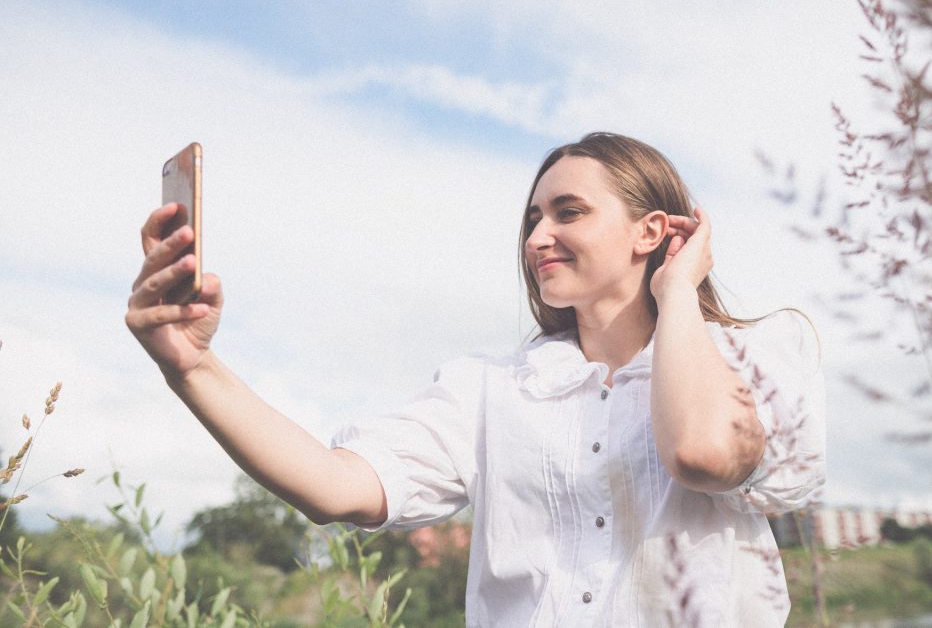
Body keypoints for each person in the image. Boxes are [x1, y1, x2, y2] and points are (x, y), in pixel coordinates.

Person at [126, 132, 825, 627]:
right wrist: (191, 365)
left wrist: (678, 294)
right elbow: (335, 486)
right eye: (532, 219)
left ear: (651, 232)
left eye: (568, 212)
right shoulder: (489, 389)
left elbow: (702, 452)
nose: (535, 237)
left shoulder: (757, 356)